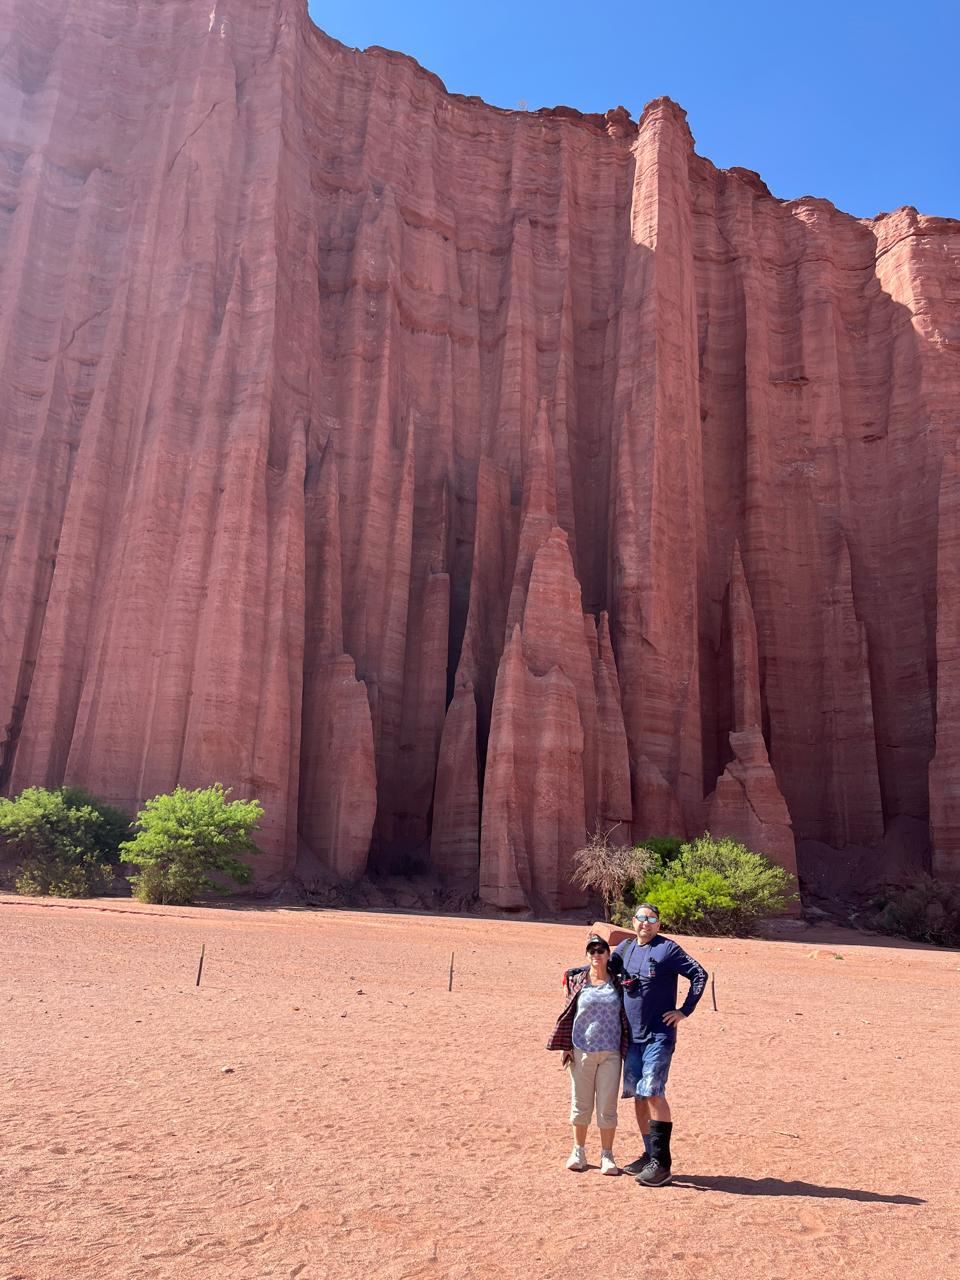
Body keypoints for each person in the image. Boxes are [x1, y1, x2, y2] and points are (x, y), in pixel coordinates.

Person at [610, 903, 708, 1187]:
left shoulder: (668, 949)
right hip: (632, 1037)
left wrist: (684, 1010)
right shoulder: (625, 949)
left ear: (658, 924)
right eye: (641, 918)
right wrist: (579, 970)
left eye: (651, 919)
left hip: (658, 1036)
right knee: (639, 1097)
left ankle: (662, 1165)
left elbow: (699, 975)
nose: (646, 923)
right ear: (633, 921)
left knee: (653, 1093)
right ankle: (649, 1153)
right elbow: (603, 968)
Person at [546, 932, 630, 1175]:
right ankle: (578, 1151)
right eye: (592, 951)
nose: (596, 955)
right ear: (587, 955)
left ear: (607, 954)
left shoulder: (617, 982)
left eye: (600, 951)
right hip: (581, 1050)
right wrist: (565, 1047)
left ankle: (607, 1155)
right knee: (580, 1104)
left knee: (607, 1106)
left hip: (611, 1053)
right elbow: (568, 1012)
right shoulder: (577, 981)